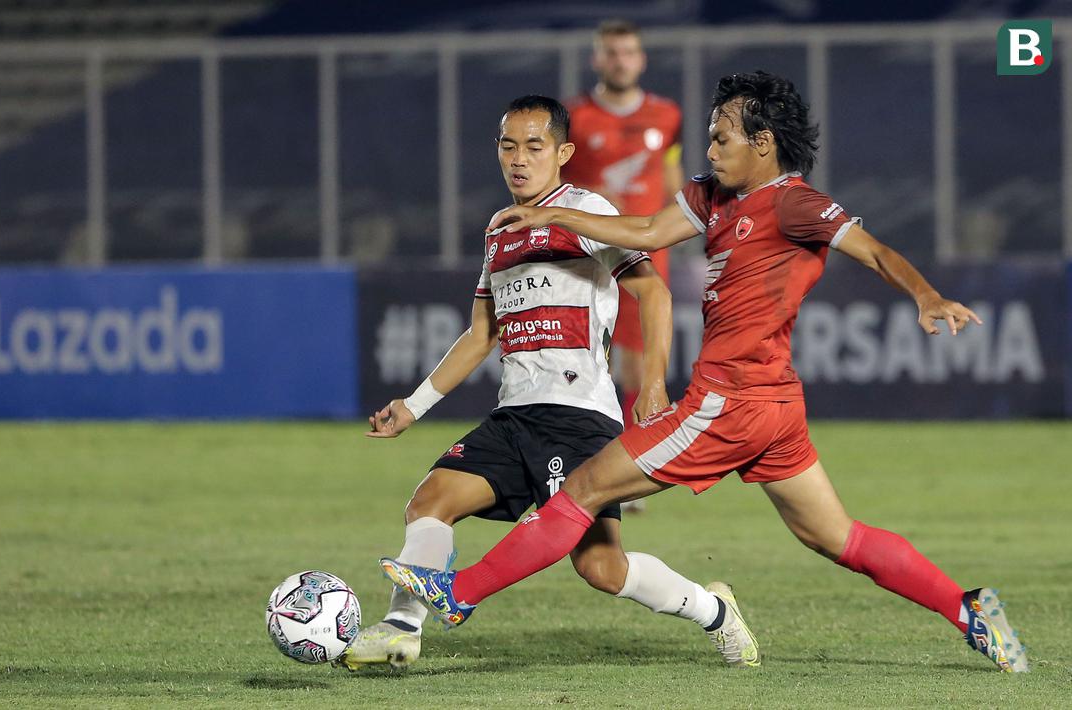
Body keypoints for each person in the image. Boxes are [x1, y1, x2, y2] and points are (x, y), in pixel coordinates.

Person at [381, 72, 1029, 673]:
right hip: (776, 406)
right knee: (836, 537)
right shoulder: (710, 195)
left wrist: (925, 296)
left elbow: (876, 251)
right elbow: (641, 230)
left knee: (581, 489)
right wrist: (556, 215)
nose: (710, 147)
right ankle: (967, 610)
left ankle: (458, 591)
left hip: (731, 400)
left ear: (764, 143)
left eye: (722, 137)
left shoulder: (791, 203)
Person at [341, 95, 759, 671]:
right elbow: (480, 334)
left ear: (562, 152)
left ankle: (714, 609)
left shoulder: (585, 210)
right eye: (508, 145)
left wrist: (654, 385)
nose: (519, 158)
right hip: (513, 416)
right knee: (430, 502)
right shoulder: (499, 229)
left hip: (577, 416)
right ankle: (399, 630)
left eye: (534, 146)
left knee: (601, 567)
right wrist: (414, 406)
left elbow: (654, 292)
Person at [565, 19, 683, 433]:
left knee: (639, 355)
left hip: (645, 249)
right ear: (597, 59)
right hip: (584, 250)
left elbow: (672, 180)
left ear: (642, 59)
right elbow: (551, 183)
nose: (620, 61)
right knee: (588, 353)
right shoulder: (573, 117)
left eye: (629, 52)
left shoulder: (667, 115)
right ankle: (587, 445)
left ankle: (630, 455)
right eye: (612, 52)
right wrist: (589, 192)